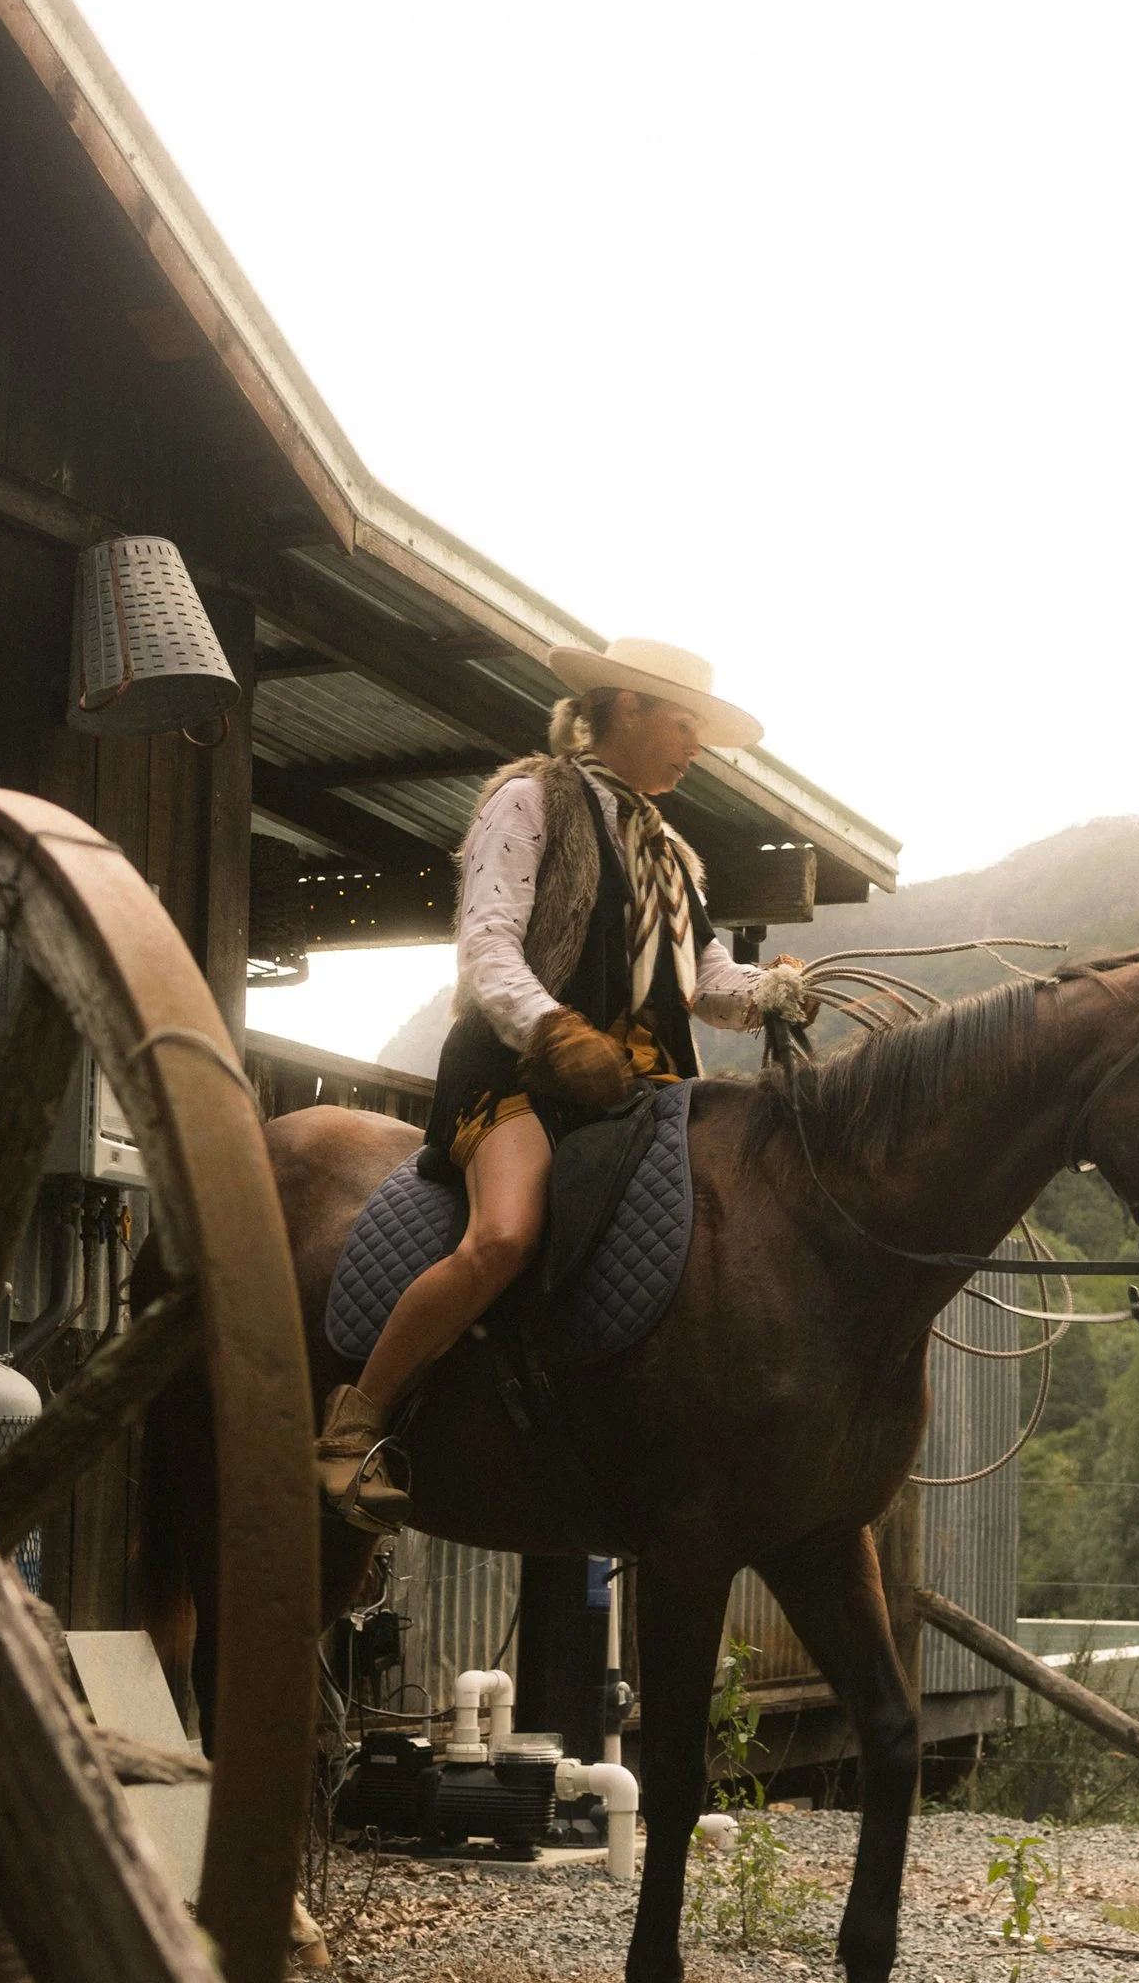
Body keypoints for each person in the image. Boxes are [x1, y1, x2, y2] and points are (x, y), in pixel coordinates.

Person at [315, 636, 811, 1527]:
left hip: (640, 1089)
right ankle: (356, 1422)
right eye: (683, 722)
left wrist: (772, 990)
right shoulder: (527, 799)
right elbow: (488, 947)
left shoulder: (674, 854)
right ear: (623, 708)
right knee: (504, 1236)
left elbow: (703, 985)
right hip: (514, 1073)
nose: (694, 745)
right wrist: (556, 1031)